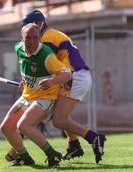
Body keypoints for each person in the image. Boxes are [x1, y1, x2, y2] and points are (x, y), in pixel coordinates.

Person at [20, 9, 106, 164]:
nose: (29, 32)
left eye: (30, 26)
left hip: (74, 77)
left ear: (40, 24)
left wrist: (31, 81)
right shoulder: (49, 34)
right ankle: (73, 145)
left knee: (58, 120)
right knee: (59, 114)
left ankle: (93, 137)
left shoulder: (45, 38)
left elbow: (44, 66)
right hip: (75, 75)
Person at [0, 23, 72, 167]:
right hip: (28, 96)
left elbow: (67, 75)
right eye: (28, 38)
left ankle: (53, 155)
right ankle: (24, 157)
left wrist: (52, 81)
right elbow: (27, 67)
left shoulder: (47, 56)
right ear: (22, 39)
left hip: (46, 97)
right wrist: (25, 82)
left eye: (35, 38)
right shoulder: (18, 48)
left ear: (39, 38)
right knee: (6, 127)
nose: (32, 41)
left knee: (24, 125)